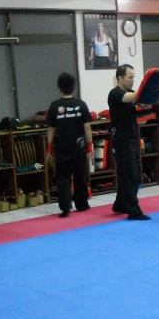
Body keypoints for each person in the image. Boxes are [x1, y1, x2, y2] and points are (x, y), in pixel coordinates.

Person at [46, 72, 93, 218]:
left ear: (59, 88)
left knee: (63, 178)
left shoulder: (54, 106)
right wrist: (89, 146)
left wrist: (49, 147)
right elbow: (87, 127)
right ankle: (82, 204)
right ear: (73, 87)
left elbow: (50, 129)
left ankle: (65, 206)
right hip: (78, 146)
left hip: (62, 147)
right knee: (80, 176)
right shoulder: (81, 105)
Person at [108, 65, 150, 221]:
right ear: (120, 78)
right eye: (130, 77)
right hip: (122, 140)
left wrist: (152, 92)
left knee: (128, 173)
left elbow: (146, 104)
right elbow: (134, 97)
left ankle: (120, 204)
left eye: (134, 77)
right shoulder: (115, 94)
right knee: (130, 175)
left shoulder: (131, 93)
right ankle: (133, 211)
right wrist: (148, 85)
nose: (133, 80)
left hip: (132, 137)